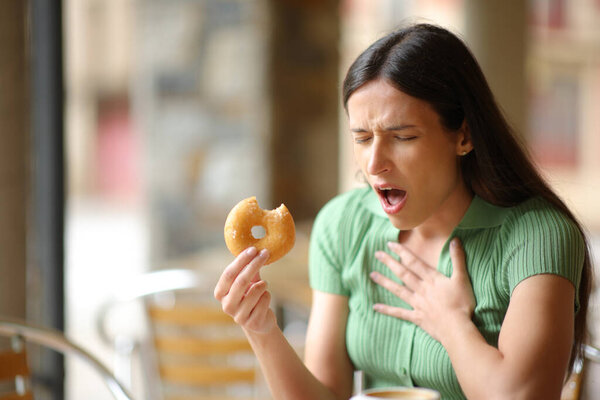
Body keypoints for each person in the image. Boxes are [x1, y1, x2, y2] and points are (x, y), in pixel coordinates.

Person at [214, 23, 593, 399]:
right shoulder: (343, 225)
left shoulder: (539, 237)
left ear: (464, 135)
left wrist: (450, 323)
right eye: (362, 138)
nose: (374, 163)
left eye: (403, 137)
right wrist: (262, 329)